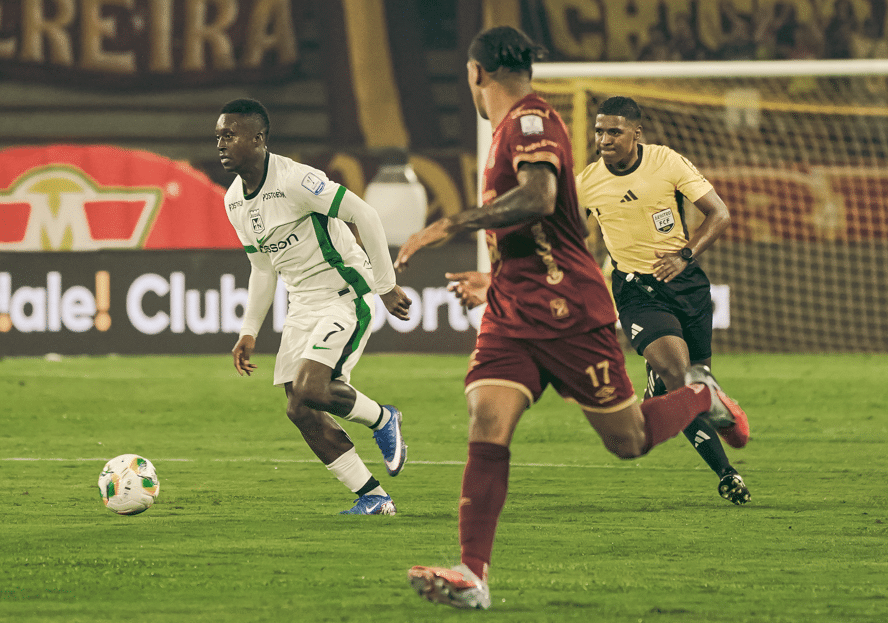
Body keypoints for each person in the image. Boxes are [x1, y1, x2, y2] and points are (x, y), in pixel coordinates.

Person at [396, 26, 749, 610]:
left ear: (477, 73)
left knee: (629, 440)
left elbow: (537, 199)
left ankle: (698, 398)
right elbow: (542, 231)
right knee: (487, 418)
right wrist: (493, 278)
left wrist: (451, 224)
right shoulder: (507, 131)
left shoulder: (531, 121)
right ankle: (473, 574)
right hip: (514, 310)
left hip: (567, 312)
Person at [216, 98, 412, 515]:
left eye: (229, 135)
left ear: (258, 138)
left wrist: (385, 285)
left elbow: (365, 214)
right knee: (299, 408)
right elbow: (262, 269)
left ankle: (382, 418)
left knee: (312, 388)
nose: (221, 143)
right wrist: (248, 331)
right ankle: (373, 496)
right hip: (302, 304)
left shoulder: (296, 180)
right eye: (218, 136)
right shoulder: (234, 200)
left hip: (343, 294)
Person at [576, 96, 751, 506]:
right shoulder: (586, 182)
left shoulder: (666, 162)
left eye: (614, 131)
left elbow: (719, 214)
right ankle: (727, 473)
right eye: (599, 131)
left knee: (689, 379)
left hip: (686, 285)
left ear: (636, 133)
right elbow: (568, 234)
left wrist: (684, 255)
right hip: (636, 290)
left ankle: (661, 381)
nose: (604, 139)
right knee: (683, 378)